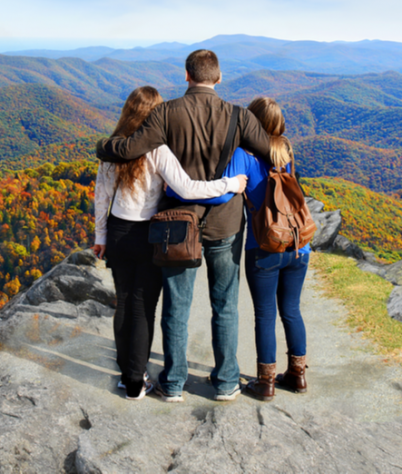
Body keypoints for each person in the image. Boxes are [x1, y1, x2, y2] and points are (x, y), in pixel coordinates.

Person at [96, 50, 271, 402]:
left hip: (177, 225)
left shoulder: (165, 113)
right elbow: (270, 151)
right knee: (225, 303)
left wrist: (102, 146)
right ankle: (225, 382)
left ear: (186, 76)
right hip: (226, 223)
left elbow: (131, 148)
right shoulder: (239, 117)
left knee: (177, 305)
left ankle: (173, 382)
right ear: (219, 79)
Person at [165, 96, 309, 401]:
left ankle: (266, 382)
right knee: (292, 310)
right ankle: (298, 375)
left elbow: (221, 197)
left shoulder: (244, 154)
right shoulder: (286, 150)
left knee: (265, 313)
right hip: (298, 245)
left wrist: (186, 192)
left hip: (265, 245)